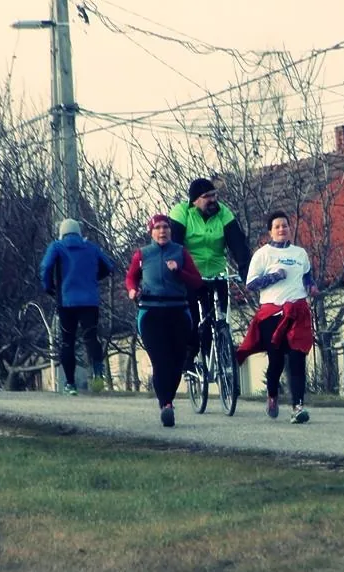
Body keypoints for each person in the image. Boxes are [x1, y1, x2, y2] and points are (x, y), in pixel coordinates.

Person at [236, 210, 318, 424]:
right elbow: (251, 284)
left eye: (285, 225)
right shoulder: (263, 255)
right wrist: (274, 276)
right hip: (272, 313)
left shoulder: (300, 253)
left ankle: (297, 407)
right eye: (277, 226)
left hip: (297, 311)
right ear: (270, 232)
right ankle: (272, 394)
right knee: (277, 360)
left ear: (290, 228)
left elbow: (307, 274)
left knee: (298, 358)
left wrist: (311, 286)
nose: (282, 229)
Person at [125, 214, 204, 428]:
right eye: (158, 228)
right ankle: (166, 405)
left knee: (177, 360)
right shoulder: (143, 254)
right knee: (160, 360)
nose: (162, 231)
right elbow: (131, 277)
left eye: (166, 227)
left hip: (178, 310)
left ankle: (168, 400)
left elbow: (196, 281)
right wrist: (132, 291)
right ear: (151, 232)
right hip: (151, 312)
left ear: (171, 231)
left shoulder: (180, 253)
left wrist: (179, 271)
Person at [169, 177, 251, 371]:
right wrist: (178, 271)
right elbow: (175, 245)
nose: (213, 200)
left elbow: (237, 244)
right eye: (207, 197)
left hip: (216, 273)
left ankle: (221, 352)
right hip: (191, 274)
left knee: (219, 317)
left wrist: (246, 269)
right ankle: (190, 354)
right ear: (194, 200)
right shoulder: (181, 212)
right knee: (193, 318)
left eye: (214, 195)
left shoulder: (223, 213)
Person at [38, 218, 116, 395]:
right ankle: (97, 373)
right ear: (79, 232)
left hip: (66, 301)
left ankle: (71, 385)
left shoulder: (57, 247)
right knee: (91, 337)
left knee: (68, 342)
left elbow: (46, 266)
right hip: (90, 301)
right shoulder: (91, 247)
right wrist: (94, 278)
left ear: (62, 232)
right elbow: (109, 266)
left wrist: (48, 286)